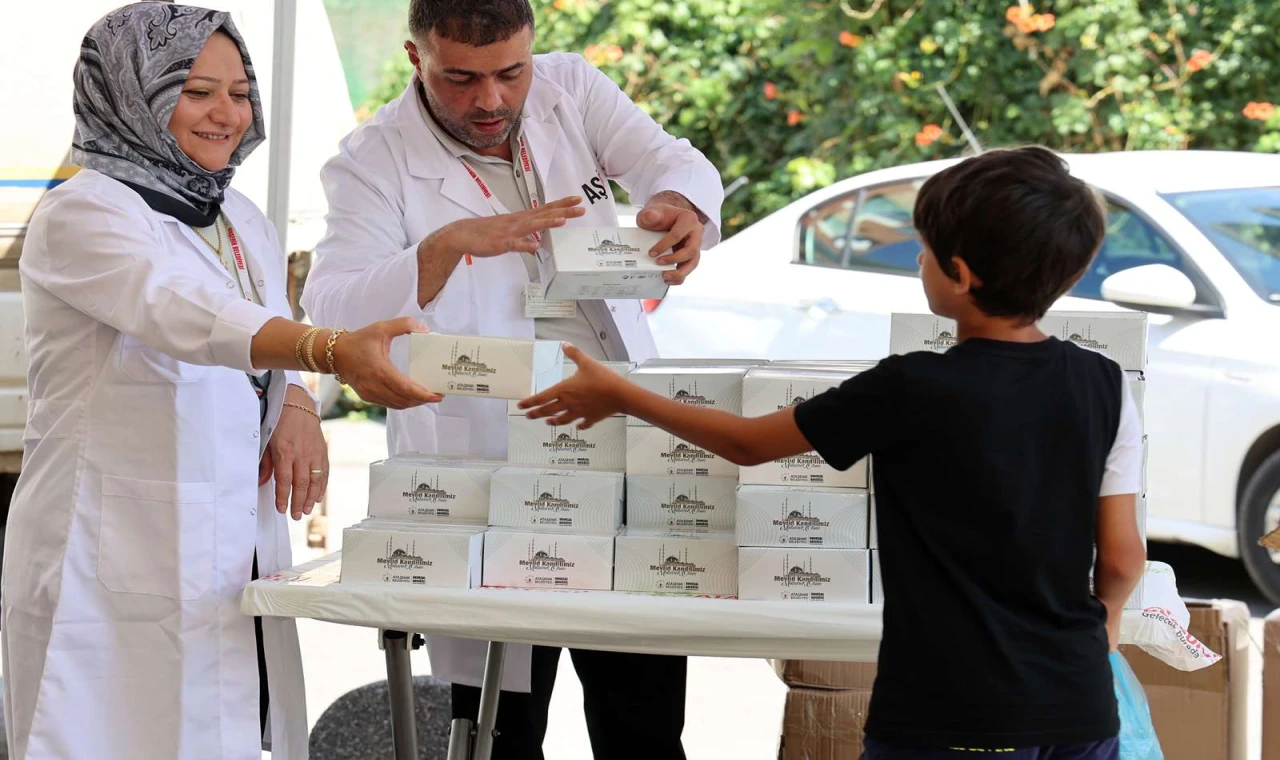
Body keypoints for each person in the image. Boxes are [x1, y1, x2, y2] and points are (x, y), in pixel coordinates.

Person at [522, 147, 1149, 760]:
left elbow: (747, 443)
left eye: (925, 250)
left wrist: (622, 394)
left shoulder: (910, 385)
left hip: (946, 709)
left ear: (960, 275)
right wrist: (1107, 625)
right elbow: (1122, 558)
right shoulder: (1104, 382)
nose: (920, 261)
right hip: (1080, 704)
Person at [1, 6, 441, 759]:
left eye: (240, 92)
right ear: (132, 92)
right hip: (106, 553)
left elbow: (266, 320)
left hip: (228, 540)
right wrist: (329, 352)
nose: (228, 113)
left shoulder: (237, 214)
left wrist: (298, 397)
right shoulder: (84, 212)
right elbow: (184, 312)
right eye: (197, 90)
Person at [301, 0, 723, 756]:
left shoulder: (572, 90)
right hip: (485, 457)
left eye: (509, 73)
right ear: (414, 57)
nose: (490, 99)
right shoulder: (372, 158)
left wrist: (682, 205)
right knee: (499, 728)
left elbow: (672, 160)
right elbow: (330, 305)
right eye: (460, 78)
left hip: (613, 427)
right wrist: (445, 248)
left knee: (643, 715)